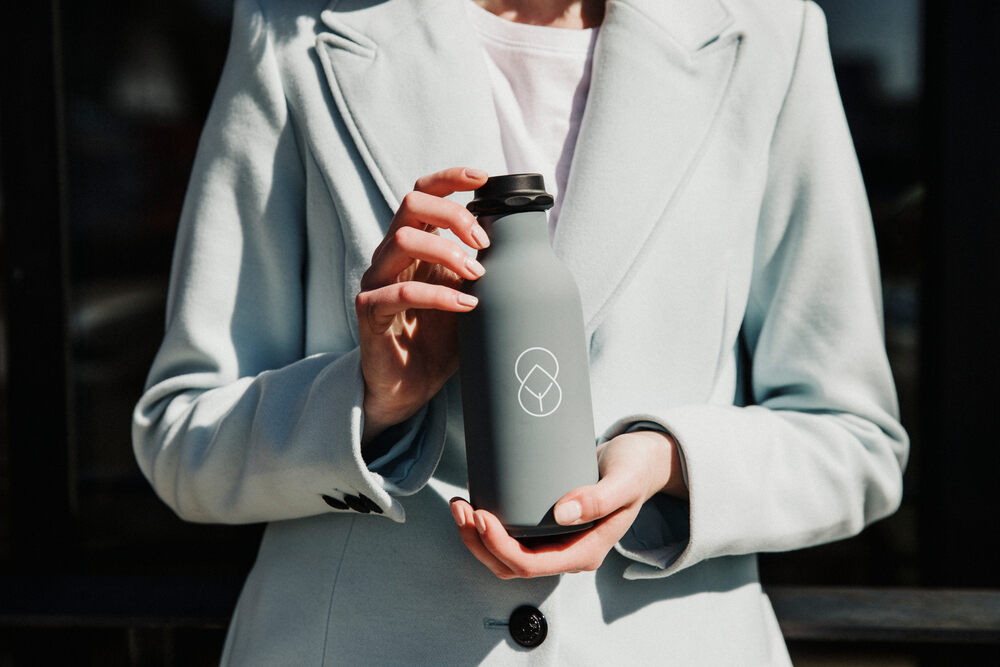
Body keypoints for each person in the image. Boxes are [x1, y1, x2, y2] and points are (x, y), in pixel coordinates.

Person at [133, 0, 908, 663]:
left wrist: (668, 462)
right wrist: (368, 405)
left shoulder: (765, 33)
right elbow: (181, 436)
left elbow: (854, 440)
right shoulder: (293, 29)